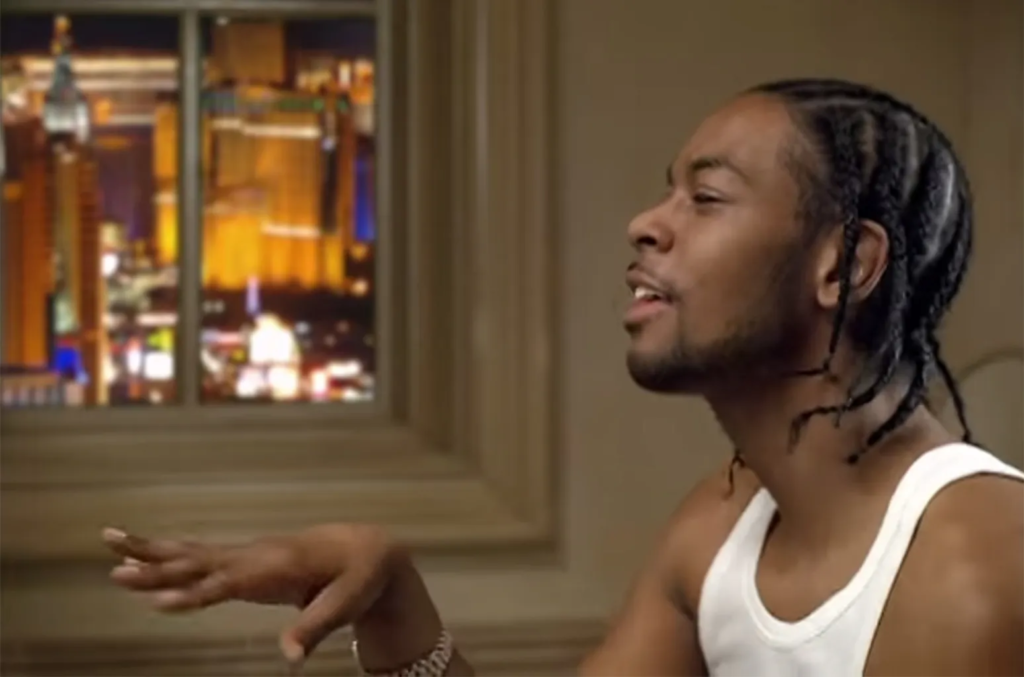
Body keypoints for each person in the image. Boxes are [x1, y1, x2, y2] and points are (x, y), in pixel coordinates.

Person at [103, 78, 1024, 676]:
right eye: (668, 191)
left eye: (706, 198)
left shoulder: (973, 569)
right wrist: (393, 600)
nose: (646, 223)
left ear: (844, 265)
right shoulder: (721, 526)